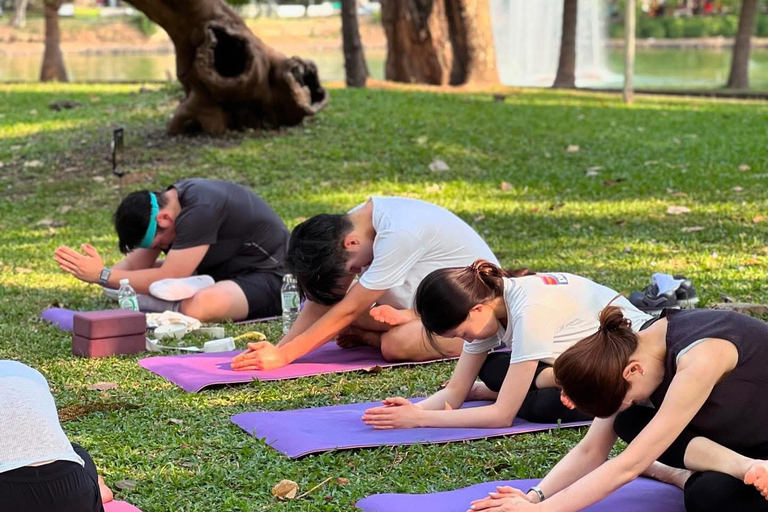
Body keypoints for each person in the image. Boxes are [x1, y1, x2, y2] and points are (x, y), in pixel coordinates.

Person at [467, 306, 768, 512]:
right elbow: (591, 451)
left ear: (632, 371)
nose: (634, 403)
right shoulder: (628, 351)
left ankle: (688, 472)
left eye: (632, 397)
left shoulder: (701, 357)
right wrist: (534, 498)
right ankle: (729, 468)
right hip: (739, 442)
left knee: (714, 498)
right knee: (628, 422)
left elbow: (629, 466)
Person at [360, 260, 652, 430]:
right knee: (492, 369)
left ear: (476, 310)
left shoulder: (530, 310)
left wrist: (420, 420)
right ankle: (529, 384)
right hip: (579, 362)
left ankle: (541, 384)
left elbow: (502, 416)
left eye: (462, 334)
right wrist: (414, 407)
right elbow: (455, 391)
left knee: (541, 406)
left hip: (624, 369)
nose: (466, 341)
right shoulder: (490, 302)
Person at [231, 196, 499, 371]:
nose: (358, 272)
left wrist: (285, 357)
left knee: (395, 344)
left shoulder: (398, 233)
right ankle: (395, 325)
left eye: (353, 269)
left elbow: (348, 309)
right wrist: (280, 348)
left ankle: (375, 339)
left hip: (467, 317)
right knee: (340, 308)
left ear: (351, 244)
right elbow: (326, 300)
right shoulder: (352, 225)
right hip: (414, 310)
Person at [54, 178, 290, 322]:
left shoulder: (200, 209)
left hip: (271, 277)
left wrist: (103, 276)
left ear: (164, 218)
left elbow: (169, 276)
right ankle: (163, 300)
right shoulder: (169, 207)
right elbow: (130, 268)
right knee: (123, 283)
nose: (163, 248)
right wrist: (102, 274)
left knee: (200, 305)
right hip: (226, 272)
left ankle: (165, 307)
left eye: (160, 245)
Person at [0, 360, 114, 512]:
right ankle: (98, 489)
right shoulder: (25, 371)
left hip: (8, 495)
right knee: (74, 450)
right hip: (74, 490)